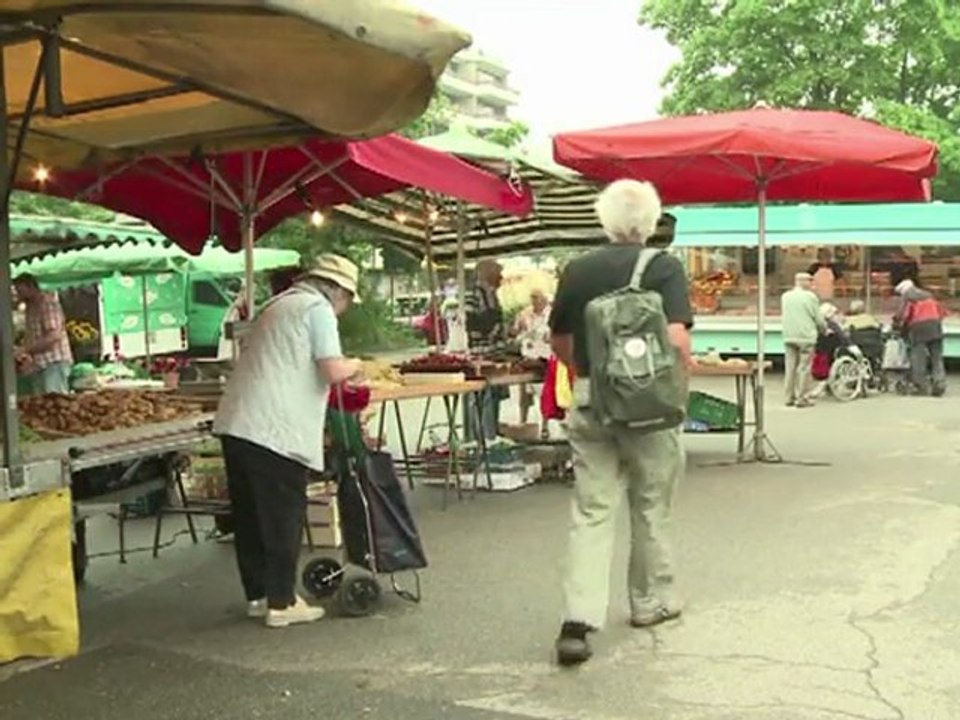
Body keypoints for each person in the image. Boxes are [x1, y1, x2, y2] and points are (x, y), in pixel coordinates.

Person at [549, 179, 693, 666]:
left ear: (604, 220)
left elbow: (561, 342)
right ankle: (649, 603)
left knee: (591, 509)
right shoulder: (664, 267)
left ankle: (578, 621)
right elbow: (676, 341)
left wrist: (587, 375)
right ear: (651, 223)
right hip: (648, 406)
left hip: (592, 401)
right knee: (651, 503)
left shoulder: (578, 270)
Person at [213, 254, 362, 628]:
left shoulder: (276, 305)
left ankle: (259, 595)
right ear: (339, 291)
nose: (344, 308)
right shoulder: (318, 309)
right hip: (275, 428)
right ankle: (282, 602)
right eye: (347, 300)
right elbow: (331, 368)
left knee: (249, 516)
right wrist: (358, 364)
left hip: (237, 421)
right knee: (282, 515)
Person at [465, 259, 508, 440]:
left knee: (494, 397)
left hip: (495, 354)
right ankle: (481, 439)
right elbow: (470, 322)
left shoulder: (492, 295)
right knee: (482, 398)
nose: (501, 278)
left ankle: (492, 436)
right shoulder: (473, 294)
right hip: (480, 354)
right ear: (488, 275)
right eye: (498, 275)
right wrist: (492, 324)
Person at [13, 274, 73, 395]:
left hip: (53, 363)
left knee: (55, 403)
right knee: (41, 406)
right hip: (39, 365)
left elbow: (54, 336)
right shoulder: (30, 306)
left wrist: (26, 349)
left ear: (31, 287)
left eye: (20, 290)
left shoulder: (47, 303)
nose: (18, 294)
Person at [893, 279, 946, 396]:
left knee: (918, 358)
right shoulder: (929, 296)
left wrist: (898, 324)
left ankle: (921, 386)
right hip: (935, 327)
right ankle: (939, 384)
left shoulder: (909, 298)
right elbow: (941, 313)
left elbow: (904, 316)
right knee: (937, 358)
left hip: (918, 329)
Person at [781, 272, 824, 408]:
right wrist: (824, 329)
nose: (812, 284)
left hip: (789, 335)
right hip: (806, 336)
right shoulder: (810, 297)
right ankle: (802, 398)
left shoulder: (785, 296)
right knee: (804, 368)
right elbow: (818, 318)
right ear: (803, 282)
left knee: (790, 367)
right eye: (810, 281)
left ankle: (788, 397)